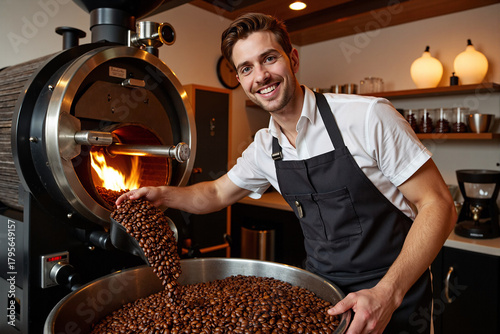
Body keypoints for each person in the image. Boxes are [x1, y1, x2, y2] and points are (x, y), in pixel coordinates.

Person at [117, 13, 456, 334]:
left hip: (395, 296)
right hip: (321, 296)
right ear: (240, 80)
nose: (260, 76)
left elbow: (438, 204)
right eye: (246, 68)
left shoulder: (367, 118)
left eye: (269, 59)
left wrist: (387, 294)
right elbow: (216, 193)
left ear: (292, 59)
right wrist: (163, 194)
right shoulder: (265, 146)